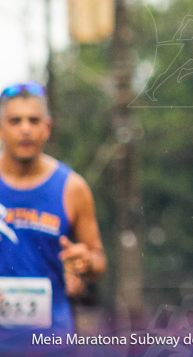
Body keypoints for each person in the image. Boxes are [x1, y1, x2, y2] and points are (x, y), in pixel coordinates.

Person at [0, 82, 107, 346]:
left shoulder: (73, 188)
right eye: (15, 121)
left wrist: (84, 263)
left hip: (50, 342)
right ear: (0, 128)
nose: (25, 129)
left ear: (47, 127)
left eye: (33, 120)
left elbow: (98, 260)